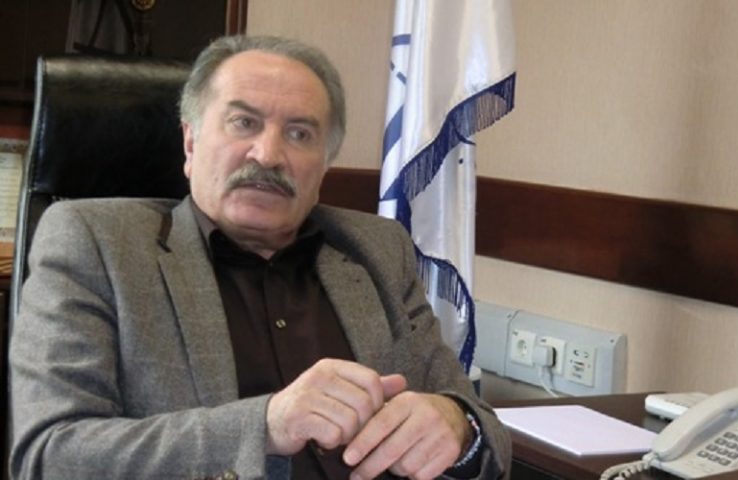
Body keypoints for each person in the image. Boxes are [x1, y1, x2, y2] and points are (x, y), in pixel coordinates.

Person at [9, 35, 511, 480]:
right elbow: (49, 456)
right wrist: (265, 425)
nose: (268, 155)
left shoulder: (378, 249)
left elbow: (485, 432)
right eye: (243, 122)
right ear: (190, 142)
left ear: (324, 164)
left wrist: (456, 425)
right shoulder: (96, 244)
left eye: (300, 133)